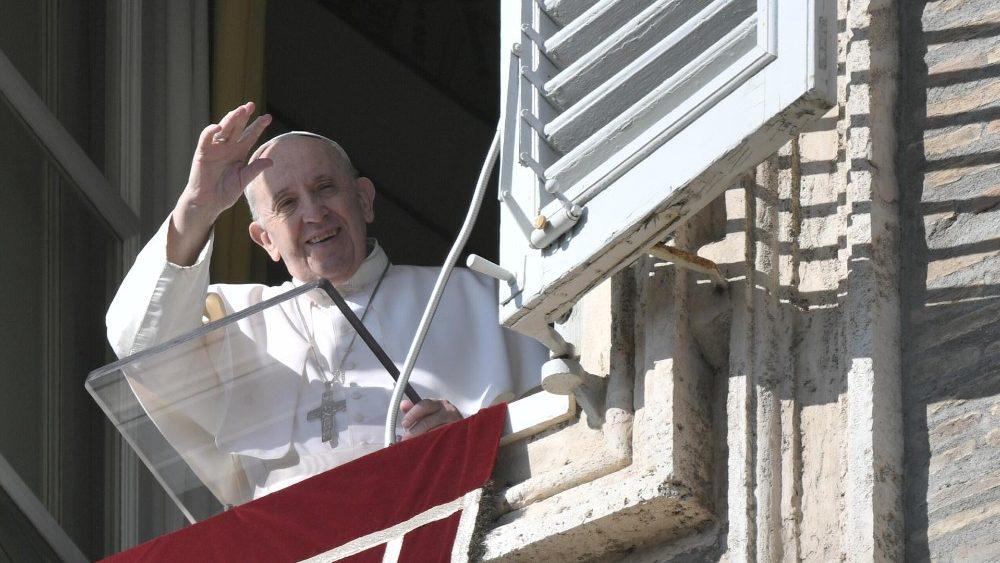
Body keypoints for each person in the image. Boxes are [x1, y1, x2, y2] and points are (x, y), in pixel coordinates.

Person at [106, 102, 545, 504]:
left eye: (325, 188)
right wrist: (197, 207)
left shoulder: (474, 297)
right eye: (287, 203)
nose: (314, 214)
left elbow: (554, 433)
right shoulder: (238, 321)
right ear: (266, 241)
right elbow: (138, 340)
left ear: (365, 200)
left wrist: (469, 440)